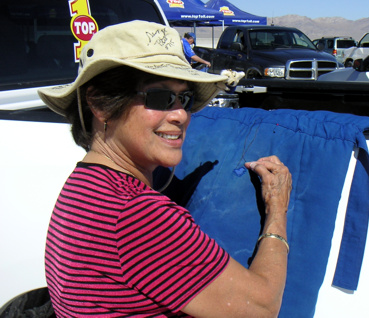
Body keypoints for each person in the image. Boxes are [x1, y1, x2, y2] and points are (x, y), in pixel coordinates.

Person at [38, 20, 292, 317]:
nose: (181, 114)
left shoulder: (83, 186)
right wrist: (277, 210)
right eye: (160, 97)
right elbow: (260, 307)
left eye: (184, 98)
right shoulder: (134, 213)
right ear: (101, 104)